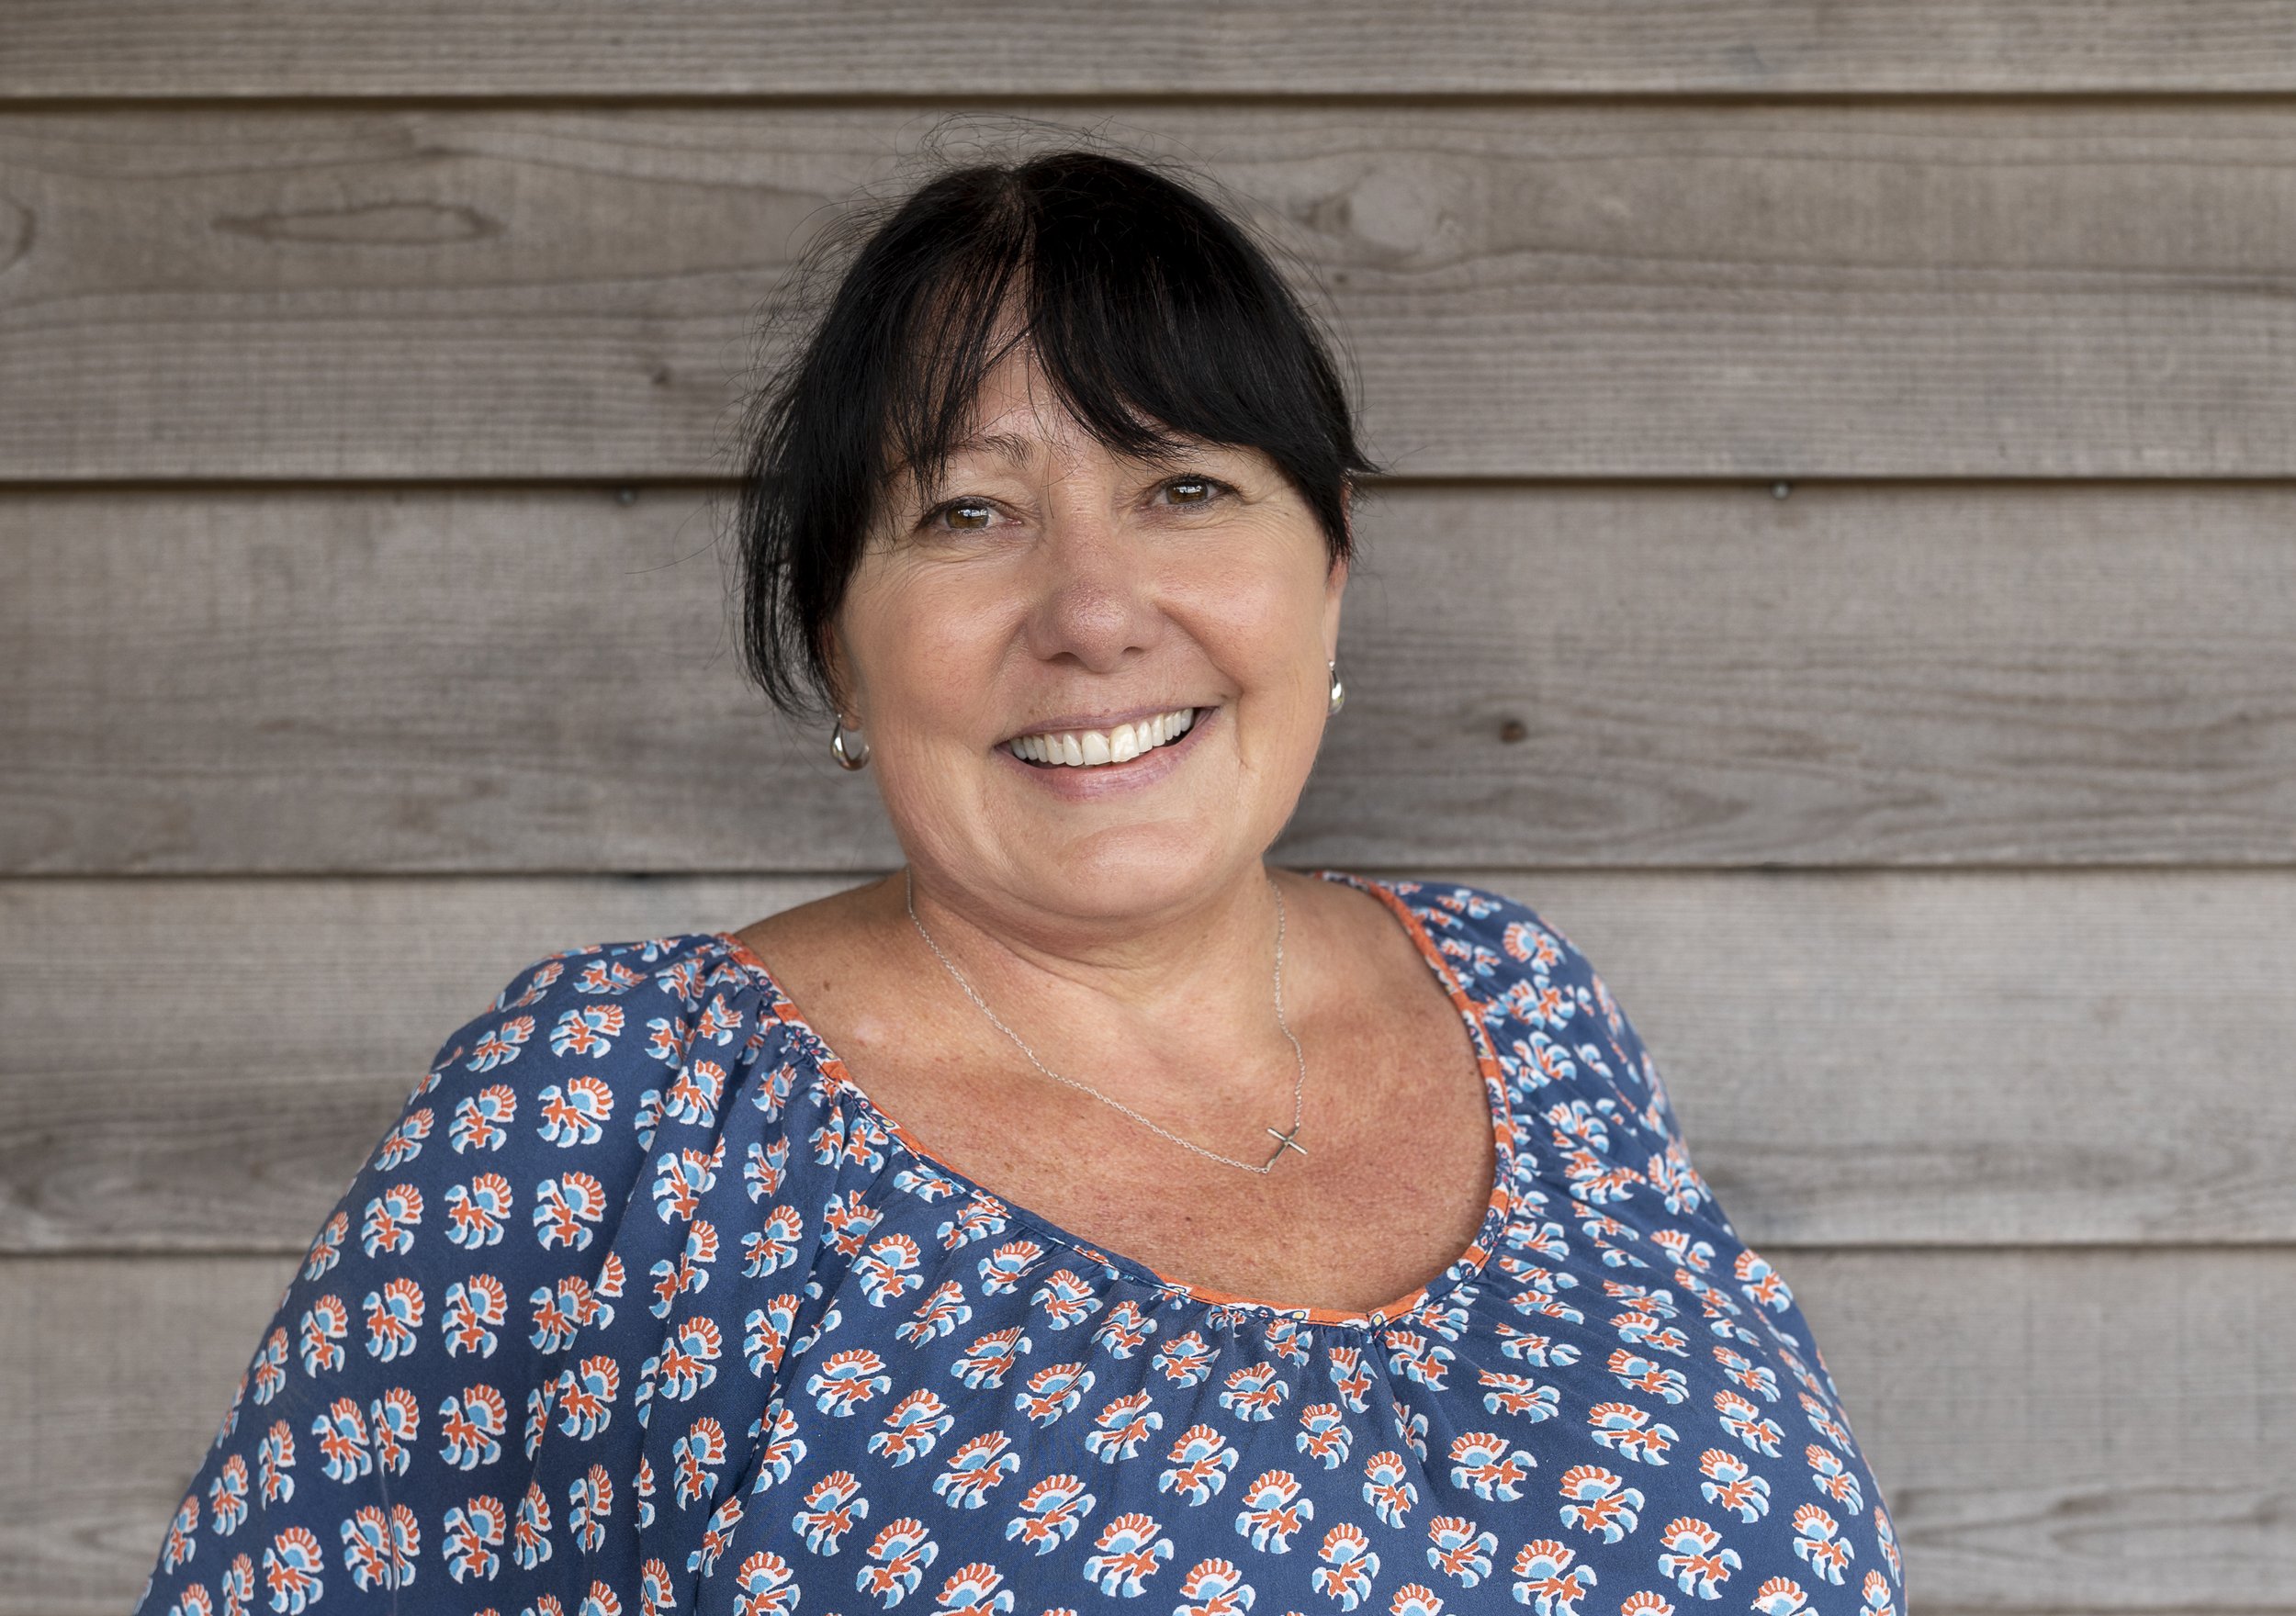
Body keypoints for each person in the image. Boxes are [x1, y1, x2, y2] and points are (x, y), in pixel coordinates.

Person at [135, 142, 1902, 1616]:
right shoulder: (624, 1118)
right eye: (969, 513)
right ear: (837, 640)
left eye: (1188, 487)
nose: (1094, 610)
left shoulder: (1522, 1002)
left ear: (1331, 567)